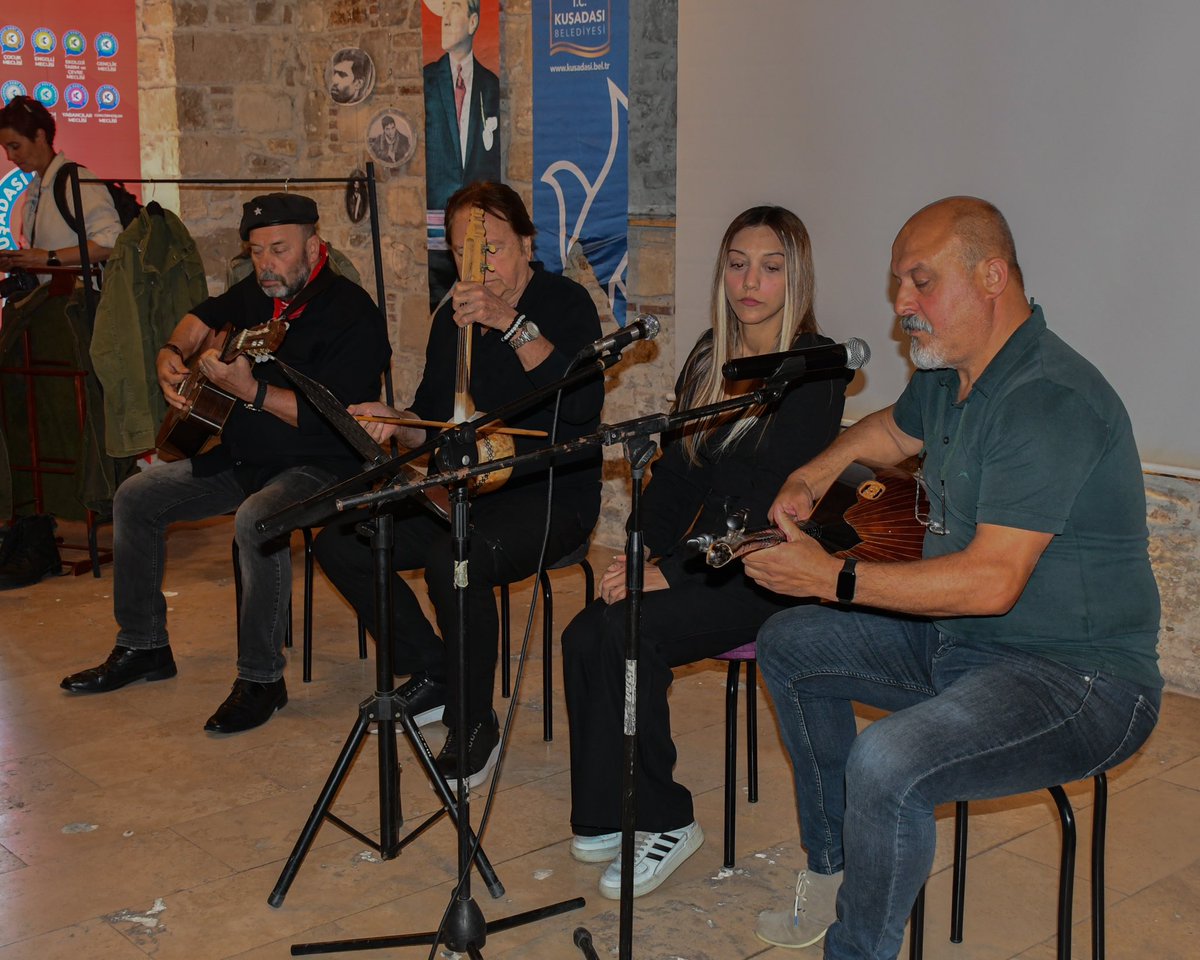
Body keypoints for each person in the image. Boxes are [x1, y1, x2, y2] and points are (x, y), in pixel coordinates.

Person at [744, 197, 1161, 958]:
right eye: (899, 283)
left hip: (1079, 684)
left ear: (992, 275)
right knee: (792, 644)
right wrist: (815, 471)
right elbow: (889, 432)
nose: (903, 305)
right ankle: (836, 866)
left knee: (888, 761)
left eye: (921, 282)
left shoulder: (1049, 399)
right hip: (963, 652)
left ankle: (857, 949)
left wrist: (832, 577)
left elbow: (991, 582)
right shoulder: (949, 374)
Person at [562, 206, 848, 901]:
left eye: (771, 266)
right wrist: (637, 554)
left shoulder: (815, 369)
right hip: (702, 557)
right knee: (582, 633)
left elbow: (763, 507)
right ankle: (609, 808)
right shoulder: (707, 357)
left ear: (797, 277)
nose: (752, 280)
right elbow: (675, 479)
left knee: (629, 633)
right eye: (739, 262)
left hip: (767, 567)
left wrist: (669, 572)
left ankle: (666, 820)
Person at [60, 194, 392, 734]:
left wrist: (254, 392)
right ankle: (144, 645)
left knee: (255, 520)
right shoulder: (261, 294)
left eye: (279, 250)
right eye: (257, 251)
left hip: (324, 466)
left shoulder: (353, 314)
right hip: (246, 457)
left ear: (314, 246)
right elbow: (205, 314)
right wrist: (172, 351)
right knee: (135, 497)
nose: (266, 264)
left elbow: (342, 420)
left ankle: (262, 679)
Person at [314, 180, 604, 789]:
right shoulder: (452, 317)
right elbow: (432, 421)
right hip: (462, 487)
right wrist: (395, 423)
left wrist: (510, 322)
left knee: (455, 558)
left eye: (492, 248)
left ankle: (475, 722)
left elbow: (580, 406)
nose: (479, 267)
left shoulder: (564, 302)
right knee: (341, 538)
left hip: (547, 493)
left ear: (527, 243)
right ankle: (435, 668)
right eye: (466, 254)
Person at [424, 0, 501, 307]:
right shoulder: (427, 81)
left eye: (454, 7)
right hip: (437, 226)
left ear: (472, 23)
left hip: (479, 226)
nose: (444, 17)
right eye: (443, 9)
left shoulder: (490, 85)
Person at [0, 95, 122, 280]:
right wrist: (19, 261)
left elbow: (111, 243)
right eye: (5, 148)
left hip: (81, 305)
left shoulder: (77, 180)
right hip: (54, 304)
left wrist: (47, 257)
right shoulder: (36, 187)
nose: (10, 156)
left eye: (15, 146)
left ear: (40, 136)